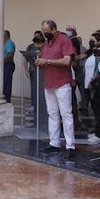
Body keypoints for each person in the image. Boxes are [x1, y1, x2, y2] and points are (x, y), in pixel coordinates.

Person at [36, 19, 77, 157]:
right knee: (52, 113)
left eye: (47, 32)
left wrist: (47, 61)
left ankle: (70, 146)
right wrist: (40, 61)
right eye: (43, 32)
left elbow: (67, 60)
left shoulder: (64, 40)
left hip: (62, 82)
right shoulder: (47, 42)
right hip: (49, 82)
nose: (45, 34)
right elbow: (45, 57)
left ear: (54, 29)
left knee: (66, 114)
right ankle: (54, 143)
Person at [3, 30, 16, 103]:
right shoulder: (4, 43)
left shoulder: (9, 43)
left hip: (8, 65)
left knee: (7, 83)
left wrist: (1, 62)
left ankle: (7, 100)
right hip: (4, 65)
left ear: (6, 35)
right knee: (3, 83)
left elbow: (10, 55)